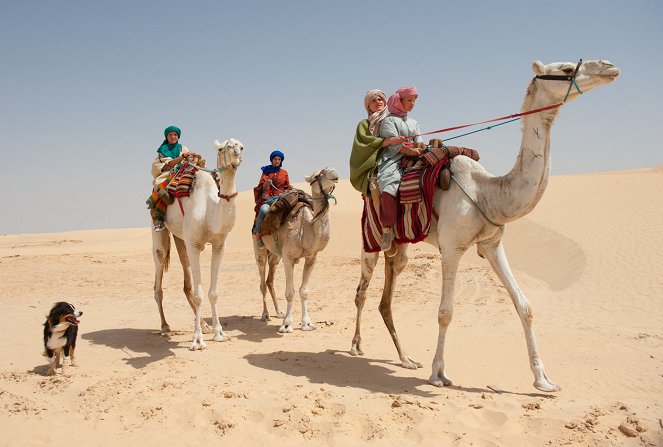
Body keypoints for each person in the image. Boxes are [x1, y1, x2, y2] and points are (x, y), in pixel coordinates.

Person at [377, 86, 423, 229]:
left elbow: (419, 140)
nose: (412, 104)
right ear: (398, 100)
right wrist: (410, 151)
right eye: (409, 100)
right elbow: (394, 144)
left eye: (414, 101)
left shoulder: (414, 122)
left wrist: (421, 147)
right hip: (393, 159)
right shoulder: (388, 121)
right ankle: (387, 228)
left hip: (415, 155)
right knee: (389, 187)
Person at [349, 89, 406, 196]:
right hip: (378, 163)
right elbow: (365, 145)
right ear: (368, 106)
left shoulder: (393, 119)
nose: (378, 102)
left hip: (400, 155)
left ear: (385, 102)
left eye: (380, 99)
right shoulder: (364, 124)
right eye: (373, 101)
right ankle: (382, 213)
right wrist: (388, 141)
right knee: (375, 187)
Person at [148, 125, 199, 231]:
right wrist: (183, 157)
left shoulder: (183, 148)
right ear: (167, 137)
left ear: (178, 137)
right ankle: (159, 218)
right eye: (170, 135)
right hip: (167, 174)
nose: (173, 137)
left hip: (183, 172)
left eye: (175, 135)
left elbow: (188, 161)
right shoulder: (162, 150)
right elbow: (169, 164)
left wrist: (193, 158)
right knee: (161, 189)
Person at [253, 150, 290, 247]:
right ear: (272, 160)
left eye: (279, 159)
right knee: (263, 210)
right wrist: (266, 183)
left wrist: (288, 190)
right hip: (268, 199)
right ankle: (258, 235)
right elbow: (260, 186)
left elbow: (287, 186)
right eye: (275, 159)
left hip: (280, 198)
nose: (277, 161)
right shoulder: (265, 172)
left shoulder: (284, 173)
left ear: (281, 161)